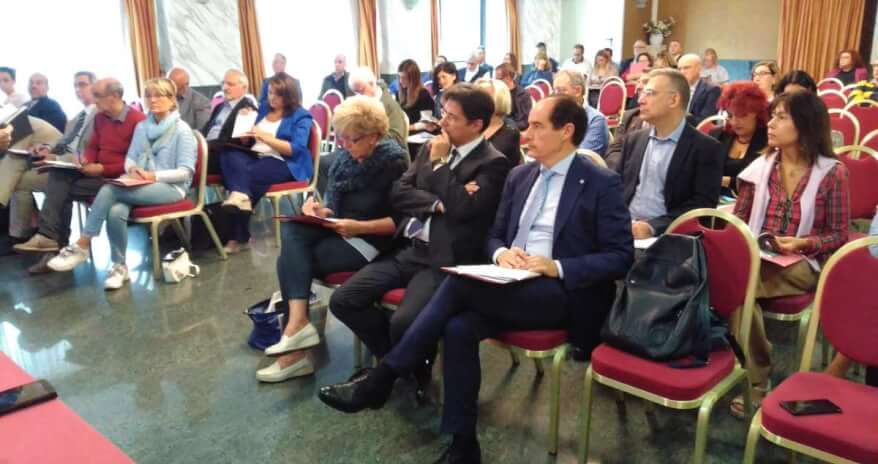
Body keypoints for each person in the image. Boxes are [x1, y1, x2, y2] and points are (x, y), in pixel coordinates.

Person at [316, 95, 634, 463]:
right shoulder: (521, 176)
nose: (525, 133)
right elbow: (493, 235)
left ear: (566, 131)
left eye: (536, 126)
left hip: (561, 290)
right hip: (509, 282)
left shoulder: (599, 182)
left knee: (459, 283)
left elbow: (620, 257)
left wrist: (556, 266)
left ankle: (382, 379)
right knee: (457, 329)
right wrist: (501, 254)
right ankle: (464, 445)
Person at [328, 83, 511, 401]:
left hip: (444, 258)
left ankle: (394, 371)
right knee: (343, 300)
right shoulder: (431, 147)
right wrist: (439, 202)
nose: (442, 121)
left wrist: (440, 169)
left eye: (452, 117)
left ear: (475, 125)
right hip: (409, 248)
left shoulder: (492, 162)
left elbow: (465, 209)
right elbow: (399, 192)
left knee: (403, 322)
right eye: (443, 113)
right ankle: (408, 366)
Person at [256, 96, 408, 382]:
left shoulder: (393, 163)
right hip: (342, 231)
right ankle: (298, 328)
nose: (345, 145)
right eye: (342, 138)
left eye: (352, 139)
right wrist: (320, 211)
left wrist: (359, 227)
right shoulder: (344, 161)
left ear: (374, 136)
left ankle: (296, 349)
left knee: (289, 261)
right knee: (292, 231)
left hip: (372, 242)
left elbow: (401, 223)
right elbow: (336, 207)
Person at [728, 91, 850, 418]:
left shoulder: (832, 173)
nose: (770, 124)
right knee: (737, 285)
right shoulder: (761, 167)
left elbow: (839, 234)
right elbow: (739, 220)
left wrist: (801, 244)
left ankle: (756, 378)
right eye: (772, 116)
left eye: (781, 117)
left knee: (739, 286)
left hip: (804, 262)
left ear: (806, 124)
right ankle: (753, 365)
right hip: (759, 255)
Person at [45, 78, 196, 289]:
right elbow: (131, 158)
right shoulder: (143, 127)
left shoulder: (182, 130)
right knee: (116, 210)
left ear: (172, 100)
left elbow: (186, 172)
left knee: (110, 189)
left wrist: (152, 176)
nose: (152, 100)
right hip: (142, 183)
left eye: (159, 95)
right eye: (148, 95)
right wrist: (132, 169)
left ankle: (83, 244)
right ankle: (119, 266)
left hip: (171, 188)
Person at [14, 78, 146, 255]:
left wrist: (102, 168)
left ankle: (53, 240)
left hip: (119, 179)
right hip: (97, 173)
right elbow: (92, 147)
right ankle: (51, 239)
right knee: (59, 174)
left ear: (115, 96)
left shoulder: (138, 120)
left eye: (98, 96)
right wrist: (86, 160)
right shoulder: (100, 118)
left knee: (60, 189)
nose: (95, 100)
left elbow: (137, 162)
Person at [616, 69, 723, 239]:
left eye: (649, 93)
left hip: (667, 236)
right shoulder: (634, 140)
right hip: (623, 227)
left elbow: (702, 208)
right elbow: (617, 187)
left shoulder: (705, 148)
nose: (640, 100)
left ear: (673, 100)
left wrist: (652, 227)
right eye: (641, 93)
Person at [0, 72, 96, 256]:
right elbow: (62, 142)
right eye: (75, 85)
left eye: (83, 84)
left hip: (79, 167)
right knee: (21, 180)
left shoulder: (99, 115)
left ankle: (51, 239)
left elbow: (89, 152)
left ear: (95, 87)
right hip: (59, 161)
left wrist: (57, 159)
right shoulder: (76, 118)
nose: (78, 89)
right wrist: (46, 148)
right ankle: (19, 236)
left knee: (24, 128)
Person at [220, 73, 313, 254]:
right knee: (228, 154)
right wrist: (245, 131)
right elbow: (250, 139)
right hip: (256, 155)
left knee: (247, 176)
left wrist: (265, 137)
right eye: (270, 92)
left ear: (289, 96)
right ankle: (241, 198)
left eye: (278, 94)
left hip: (283, 161)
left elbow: (295, 149)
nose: (272, 98)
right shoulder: (262, 109)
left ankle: (236, 235)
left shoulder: (301, 116)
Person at [708, 82, 769, 197]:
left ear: (758, 113)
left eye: (741, 115)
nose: (734, 122)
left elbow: (761, 183)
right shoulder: (717, 135)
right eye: (730, 115)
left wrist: (725, 181)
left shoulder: (769, 140)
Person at [201, 69, 259, 174]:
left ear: (244, 88)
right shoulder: (219, 106)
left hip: (224, 155)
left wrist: (206, 145)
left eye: (230, 84)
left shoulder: (248, 109)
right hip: (205, 150)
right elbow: (206, 129)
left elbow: (241, 143)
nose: (225, 88)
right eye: (223, 83)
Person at [553, 70, 609, 156]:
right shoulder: (554, 116)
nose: (556, 96)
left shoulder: (595, 120)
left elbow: (584, 157)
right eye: (555, 91)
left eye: (561, 90)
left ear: (578, 91)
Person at [348, 67, 407, 150]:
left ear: (371, 84)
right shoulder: (361, 102)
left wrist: (366, 141)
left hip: (387, 153)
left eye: (361, 91)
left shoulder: (390, 105)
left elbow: (397, 136)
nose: (359, 96)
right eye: (356, 92)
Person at [606, 73, 653, 169]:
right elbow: (614, 150)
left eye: (646, 92)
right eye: (639, 91)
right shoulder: (629, 116)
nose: (640, 100)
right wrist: (625, 167)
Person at [474, 78, 521, 164]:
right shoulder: (467, 123)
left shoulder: (510, 132)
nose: (476, 101)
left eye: (483, 97)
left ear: (499, 100)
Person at [676, 54, 721, 125]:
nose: (682, 72)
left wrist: (679, 114)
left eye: (686, 68)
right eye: (679, 69)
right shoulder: (675, 89)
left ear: (699, 68)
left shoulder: (712, 90)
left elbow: (705, 121)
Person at [396, 60, 434, 134]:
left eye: (404, 78)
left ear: (413, 79)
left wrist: (406, 128)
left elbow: (425, 123)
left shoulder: (423, 95)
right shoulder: (398, 94)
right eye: (400, 77)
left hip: (419, 135)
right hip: (404, 133)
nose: (401, 81)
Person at [167, 67, 211, 132]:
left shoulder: (201, 102)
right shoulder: (163, 97)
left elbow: (202, 131)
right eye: (169, 87)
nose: (171, 91)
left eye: (176, 88)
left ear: (186, 85)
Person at [495, 63, 531, 130]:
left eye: (498, 79)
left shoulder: (523, 95)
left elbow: (525, 121)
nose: (495, 82)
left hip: (515, 129)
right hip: (501, 127)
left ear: (508, 78)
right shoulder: (496, 93)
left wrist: (507, 126)